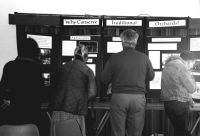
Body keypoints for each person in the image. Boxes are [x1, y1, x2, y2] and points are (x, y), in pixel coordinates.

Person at [101, 29, 155, 136]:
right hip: (138, 98)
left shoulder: (114, 57)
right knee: (135, 132)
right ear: (135, 41)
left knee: (118, 132)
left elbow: (104, 79)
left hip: (119, 98)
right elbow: (151, 76)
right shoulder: (144, 58)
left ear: (122, 41)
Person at [50, 44, 97, 136]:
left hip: (56, 112)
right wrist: (82, 98)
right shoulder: (88, 71)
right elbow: (92, 93)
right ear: (85, 57)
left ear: (74, 55)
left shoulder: (62, 67)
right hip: (76, 113)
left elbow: (53, 87)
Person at [0, 38, 43, 131]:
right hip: (32, 121)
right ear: (34, 52)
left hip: (10, 121)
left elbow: (2, 91)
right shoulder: (37, 69)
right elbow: (41, 95)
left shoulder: (9, 66)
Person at [161, 51, 196, 136]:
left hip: (168, 104)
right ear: (188, 61)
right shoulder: (182, 67)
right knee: (181, 132)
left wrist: (190, 100)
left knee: (181, 131)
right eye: (193, 63)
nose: (192, 66)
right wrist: (191, 76)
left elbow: (177, 87)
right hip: (179, 105)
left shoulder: (168, 65)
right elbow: (191, 88)